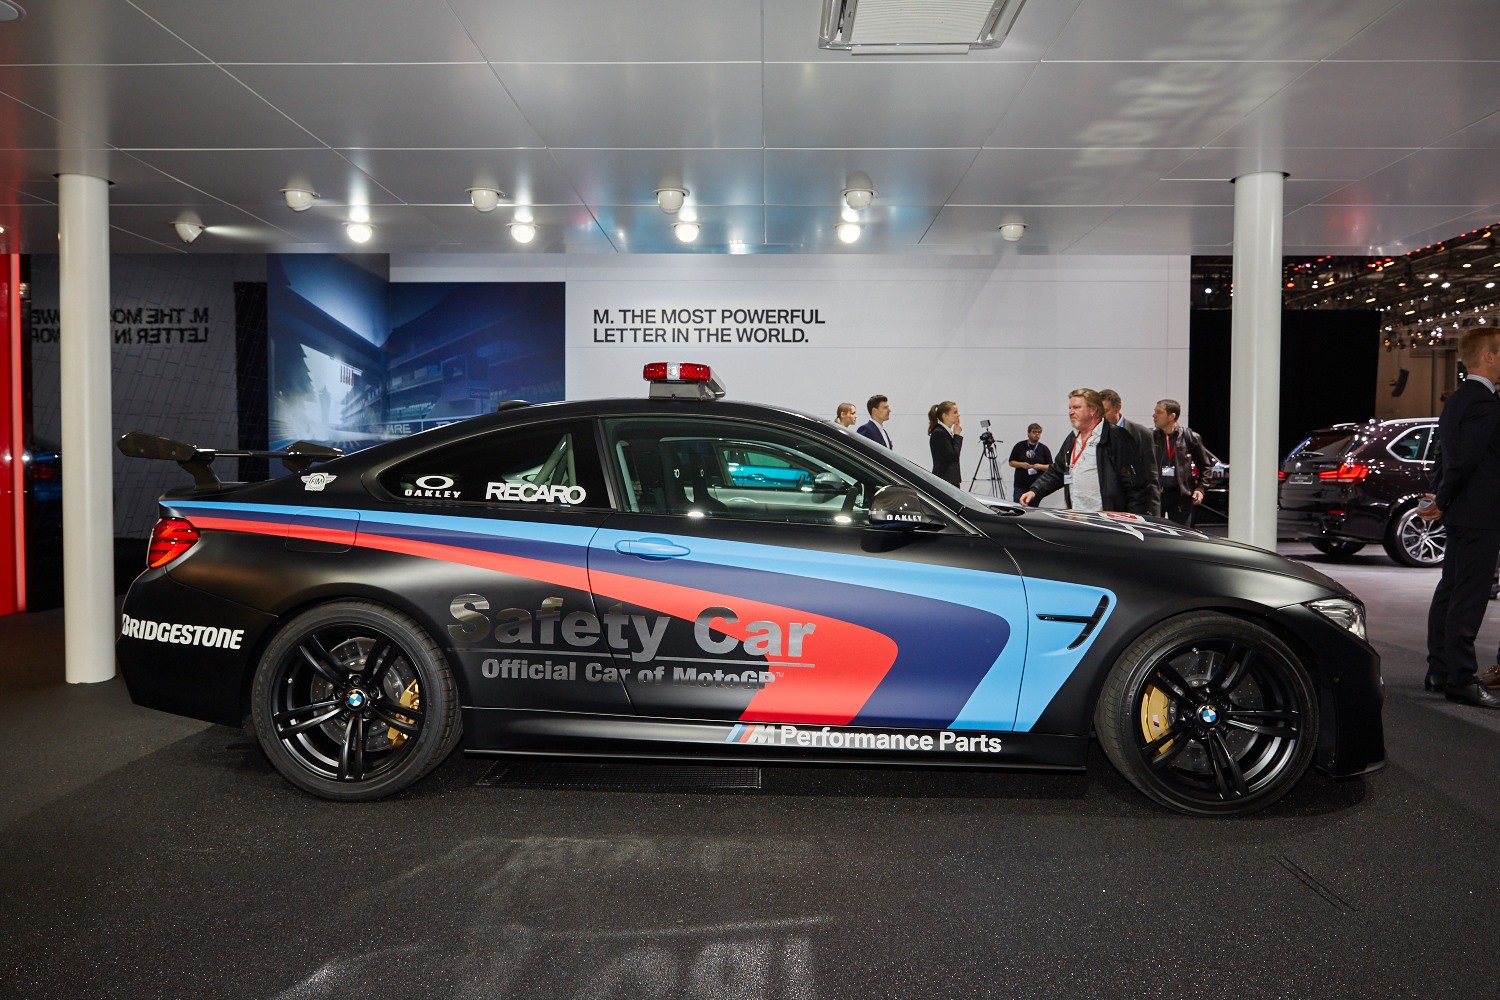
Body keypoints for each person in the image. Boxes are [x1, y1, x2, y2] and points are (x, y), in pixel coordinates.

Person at [1419, 327, 1500, 708]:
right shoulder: (1485, 403)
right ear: (1489, 356)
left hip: (1464, 513)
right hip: (1480, 514)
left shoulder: (1458, 399)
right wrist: (1444, 497)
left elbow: (1446, 457)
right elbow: (1464, 461)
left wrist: (1443, 497)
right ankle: (1462, 679)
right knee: (1469, 597)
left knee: (1451, 590)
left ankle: (1440, 670)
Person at [1020, 388, 1150, 514]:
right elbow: (1058, 471)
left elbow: (1135, 485)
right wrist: (1035, 490)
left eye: (1076, 407)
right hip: (1077, 516)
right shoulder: (1072, 438)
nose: (1071, 412)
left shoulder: (1116, 436)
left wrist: (1133, 519)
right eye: (1070, 408)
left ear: (1093, 410)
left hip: (1108, 520)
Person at [1100, 388, 1161, 516]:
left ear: (1118, 408)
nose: (1102, 416)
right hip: (1106, 505)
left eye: (1105, 411)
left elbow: (1151, 475)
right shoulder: (1095, 434)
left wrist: (1154, 510)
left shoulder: (1141, 433)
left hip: (1134, 504)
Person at [1151, 398, 1210, 526]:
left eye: (1159, 412)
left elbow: (1205, 467)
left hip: (1180, 497)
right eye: (1155, 411)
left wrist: (1200, 489)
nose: (1154, 415)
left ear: (1171, 416)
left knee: (1181, 534)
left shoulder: (1190, 437)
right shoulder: (1150, 437)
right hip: (1155, 496)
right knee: (1152, 533)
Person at [1007, 423, 1051, 505]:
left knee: (1033, 509)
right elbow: (1011, 462)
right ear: (1028, 433)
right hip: (1020, 485)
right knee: (1018, 507)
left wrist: (1041, 466)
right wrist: (1021, 464)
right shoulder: (1019, 446)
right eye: (1034, 432)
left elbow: (1050, 467)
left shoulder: (1044, 449)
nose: (1037, 434)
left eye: (1039, 432)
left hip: (1037, 486)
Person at [927, 401, 963, 486]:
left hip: (949, 481)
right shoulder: (939, 433)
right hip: (945, 481)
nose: (958, 415)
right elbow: (953, 456)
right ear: (945, 415)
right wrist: (957, 435)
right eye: (955, 412)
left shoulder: (945, 432)